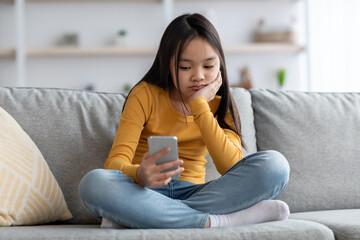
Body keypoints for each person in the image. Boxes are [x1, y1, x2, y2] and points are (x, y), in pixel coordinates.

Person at [78, 13, 290, 229]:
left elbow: (232, 167)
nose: (198, 76)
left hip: (197, 192)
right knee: (93, 183)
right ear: (168, 66)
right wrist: (140, 174)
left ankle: (144, 216)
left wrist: (199, 106)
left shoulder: (221, 104)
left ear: (220, 66)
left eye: (208, 66)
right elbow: (114, 163)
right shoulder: (145, 95)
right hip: (143, 191)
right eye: (185, 68)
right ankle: (216, 221)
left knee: (276, 165)